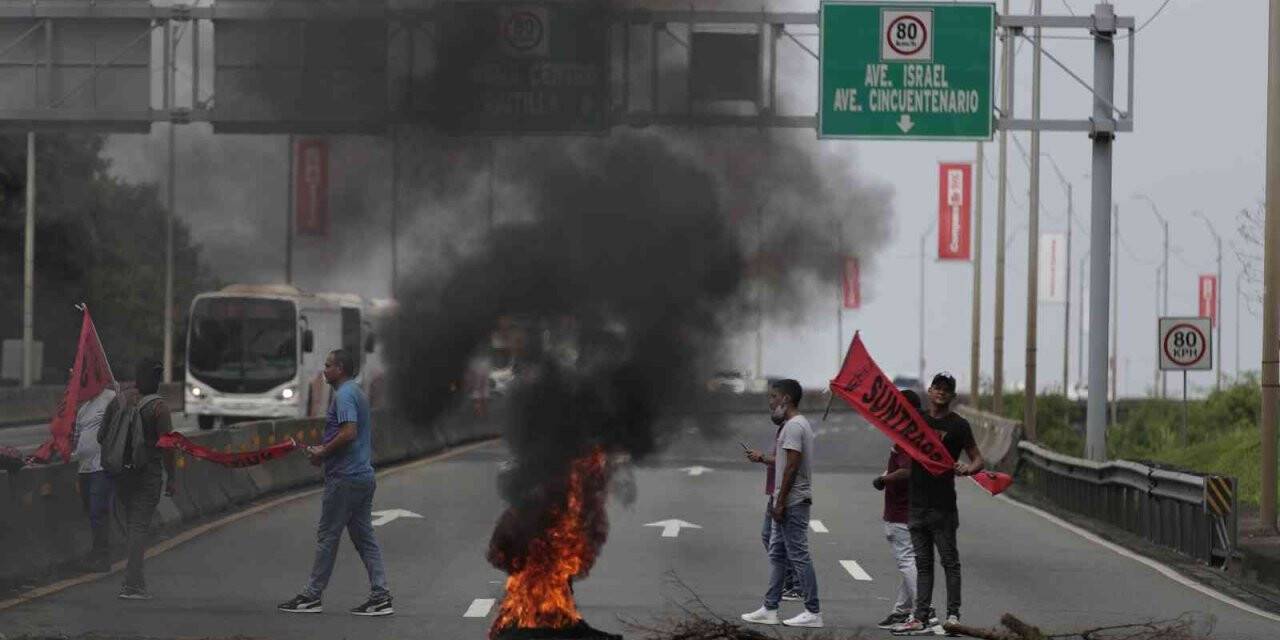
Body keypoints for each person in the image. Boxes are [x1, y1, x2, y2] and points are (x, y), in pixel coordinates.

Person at [279, 349, 393, 616]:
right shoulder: (355, 393)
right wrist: (324, 451)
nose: (324, 370)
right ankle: (380, 595)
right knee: (364, 538)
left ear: (340, 368)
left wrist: (324, 452)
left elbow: (349, 432)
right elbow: (347, 435)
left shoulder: (343, 396)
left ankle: (311, 595)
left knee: (327, 536)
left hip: (346, 479)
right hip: (361, 476)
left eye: (328, 365)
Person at [891, 373, 985, 635]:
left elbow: (979, 459)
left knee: (950, 562)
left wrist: (968, 468)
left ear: (952, 396)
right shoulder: (917, 421)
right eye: (937, 388)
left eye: (947, 389)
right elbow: (887, 414)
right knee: (923, 564)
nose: (941, 392)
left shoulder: (959, 426)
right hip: (917, 504)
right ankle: (920, 617)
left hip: (943, 506)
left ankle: (953, 615)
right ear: (929, 391)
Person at [740, 379, 822, 628]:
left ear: (785, 399)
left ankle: (813, 611)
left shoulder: (795, 427)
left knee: (798, 555)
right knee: (776, 552)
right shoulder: (791, 425)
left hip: (793, 500)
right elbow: (785, 463)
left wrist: (781, 502)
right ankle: (770, 607)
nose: (770, 402)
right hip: (784, 499)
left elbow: (792, 467)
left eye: (773, 397)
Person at [103, 359, 177, 600]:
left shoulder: (119, 401)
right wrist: (172, 477)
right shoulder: (159, 408)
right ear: (156, 381)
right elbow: (167, 447)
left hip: (122, 474)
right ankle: (132, 584)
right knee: (139, 527)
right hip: (148, 474)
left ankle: (134, 579)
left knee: (130, 524)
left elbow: (101, 435)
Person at [872, 389, 934, 629]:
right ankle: (902, 610)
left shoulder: (908, 437)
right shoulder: (915, 434)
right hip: (909, 507)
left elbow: (908, 471)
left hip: (902, 510)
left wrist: (883, 480)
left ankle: (923, 612)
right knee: (910, 562)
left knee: (907, 560)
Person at [743, 395, 801, 602]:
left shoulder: (792, 428)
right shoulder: (784, 428)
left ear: (785, 401)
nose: (771, 408)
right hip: (775, 491)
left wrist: (762, 457)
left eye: (774, 402)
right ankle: (790, 582)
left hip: (783, 492)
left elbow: (789, 463)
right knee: (771, 538)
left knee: (785, 541)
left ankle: (796, 584)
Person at [73, 386, 118, 573]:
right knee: (91, 512)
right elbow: (76, 438)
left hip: (101, 466)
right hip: (84, 469)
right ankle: (97, 552)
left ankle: (102, 557)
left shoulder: (110, 398)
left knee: (97, 511)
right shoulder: (83, 408)